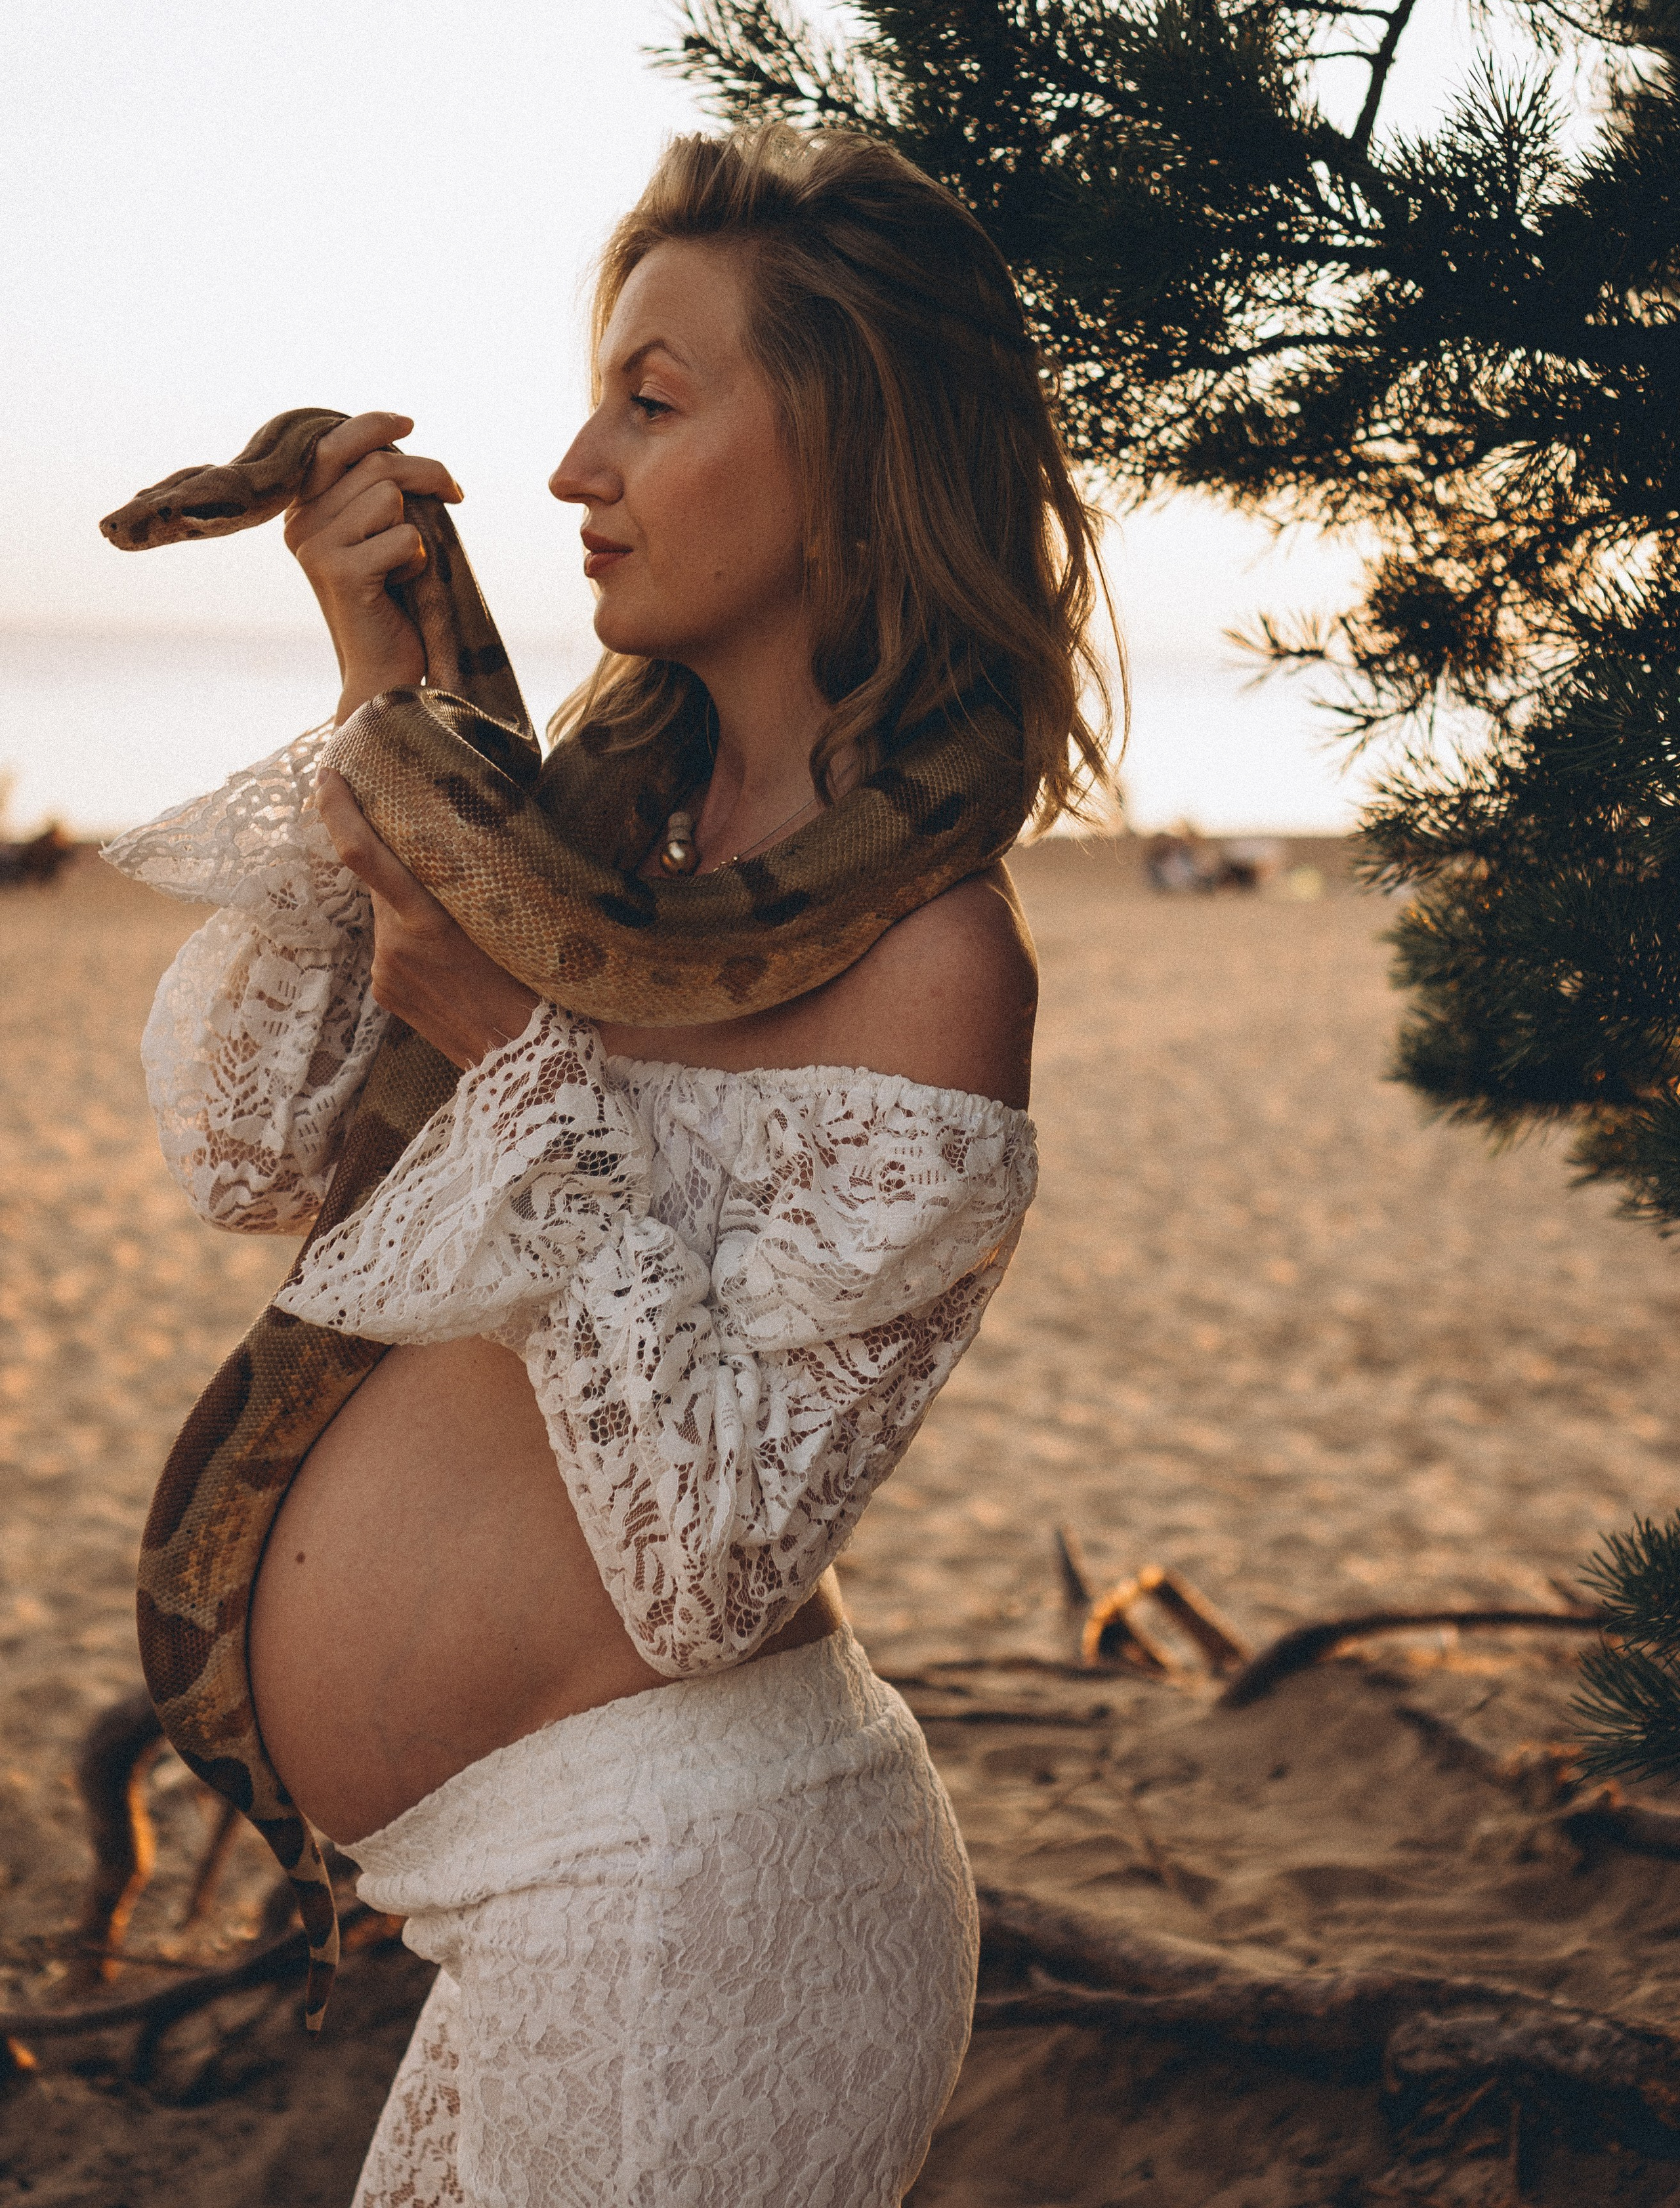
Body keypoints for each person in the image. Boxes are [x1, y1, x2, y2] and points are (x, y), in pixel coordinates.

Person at [111, 123, 1113, 2205]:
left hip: (700, 1904)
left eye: (651, 408)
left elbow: (714, 1558)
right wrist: (399, 699)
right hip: (542, 1912)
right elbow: (263, 1160)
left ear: (848, 452)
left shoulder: (931, 957)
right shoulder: (593, 850)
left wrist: (515, 1048)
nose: (572, 471)